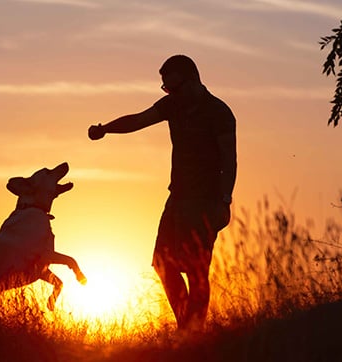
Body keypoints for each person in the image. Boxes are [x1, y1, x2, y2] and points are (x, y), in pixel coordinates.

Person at [87, 55, 237, 330]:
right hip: (177, 198)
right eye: (166, 89)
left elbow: (230, 160)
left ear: (192, 81)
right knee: (162, 262)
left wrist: (224, 201)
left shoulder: (219, 112)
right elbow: (138, 120)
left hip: (206, 201)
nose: (169, 93)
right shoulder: (172, 106)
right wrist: (106, 129)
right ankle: (187, 328)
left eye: (173, 87)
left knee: (197, 271)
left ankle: (193, 335)